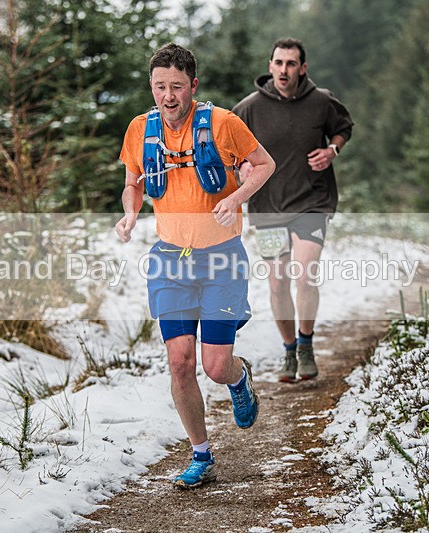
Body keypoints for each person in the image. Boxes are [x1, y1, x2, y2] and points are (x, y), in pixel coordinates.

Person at [115, 43, 276, 489]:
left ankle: (239, 377)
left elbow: (264, 164)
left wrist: (235, 197)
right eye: (161, 86)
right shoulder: (139, 129)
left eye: (177, 87)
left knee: (214, 366)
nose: (169, 96)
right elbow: (133, 182)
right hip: (170, 260)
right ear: (152, 86)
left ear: (193, 87)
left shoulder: (223, 124)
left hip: (221, 258)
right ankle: (201, 455)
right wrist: (131, 213)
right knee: (180, 361)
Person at [232, 38, 353, 383]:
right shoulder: (249, 108)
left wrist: (332, 150)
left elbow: (344, 128)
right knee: (277, 283)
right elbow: (230, 149)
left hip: (311, 203)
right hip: (268, 208)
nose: (284, 70)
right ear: (270, 66)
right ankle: (288, 350)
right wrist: (241, 166)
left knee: (304, 274)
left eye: (291, 64)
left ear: (302, 68)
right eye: (278, 63)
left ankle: (306, 345)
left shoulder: (322, 101)